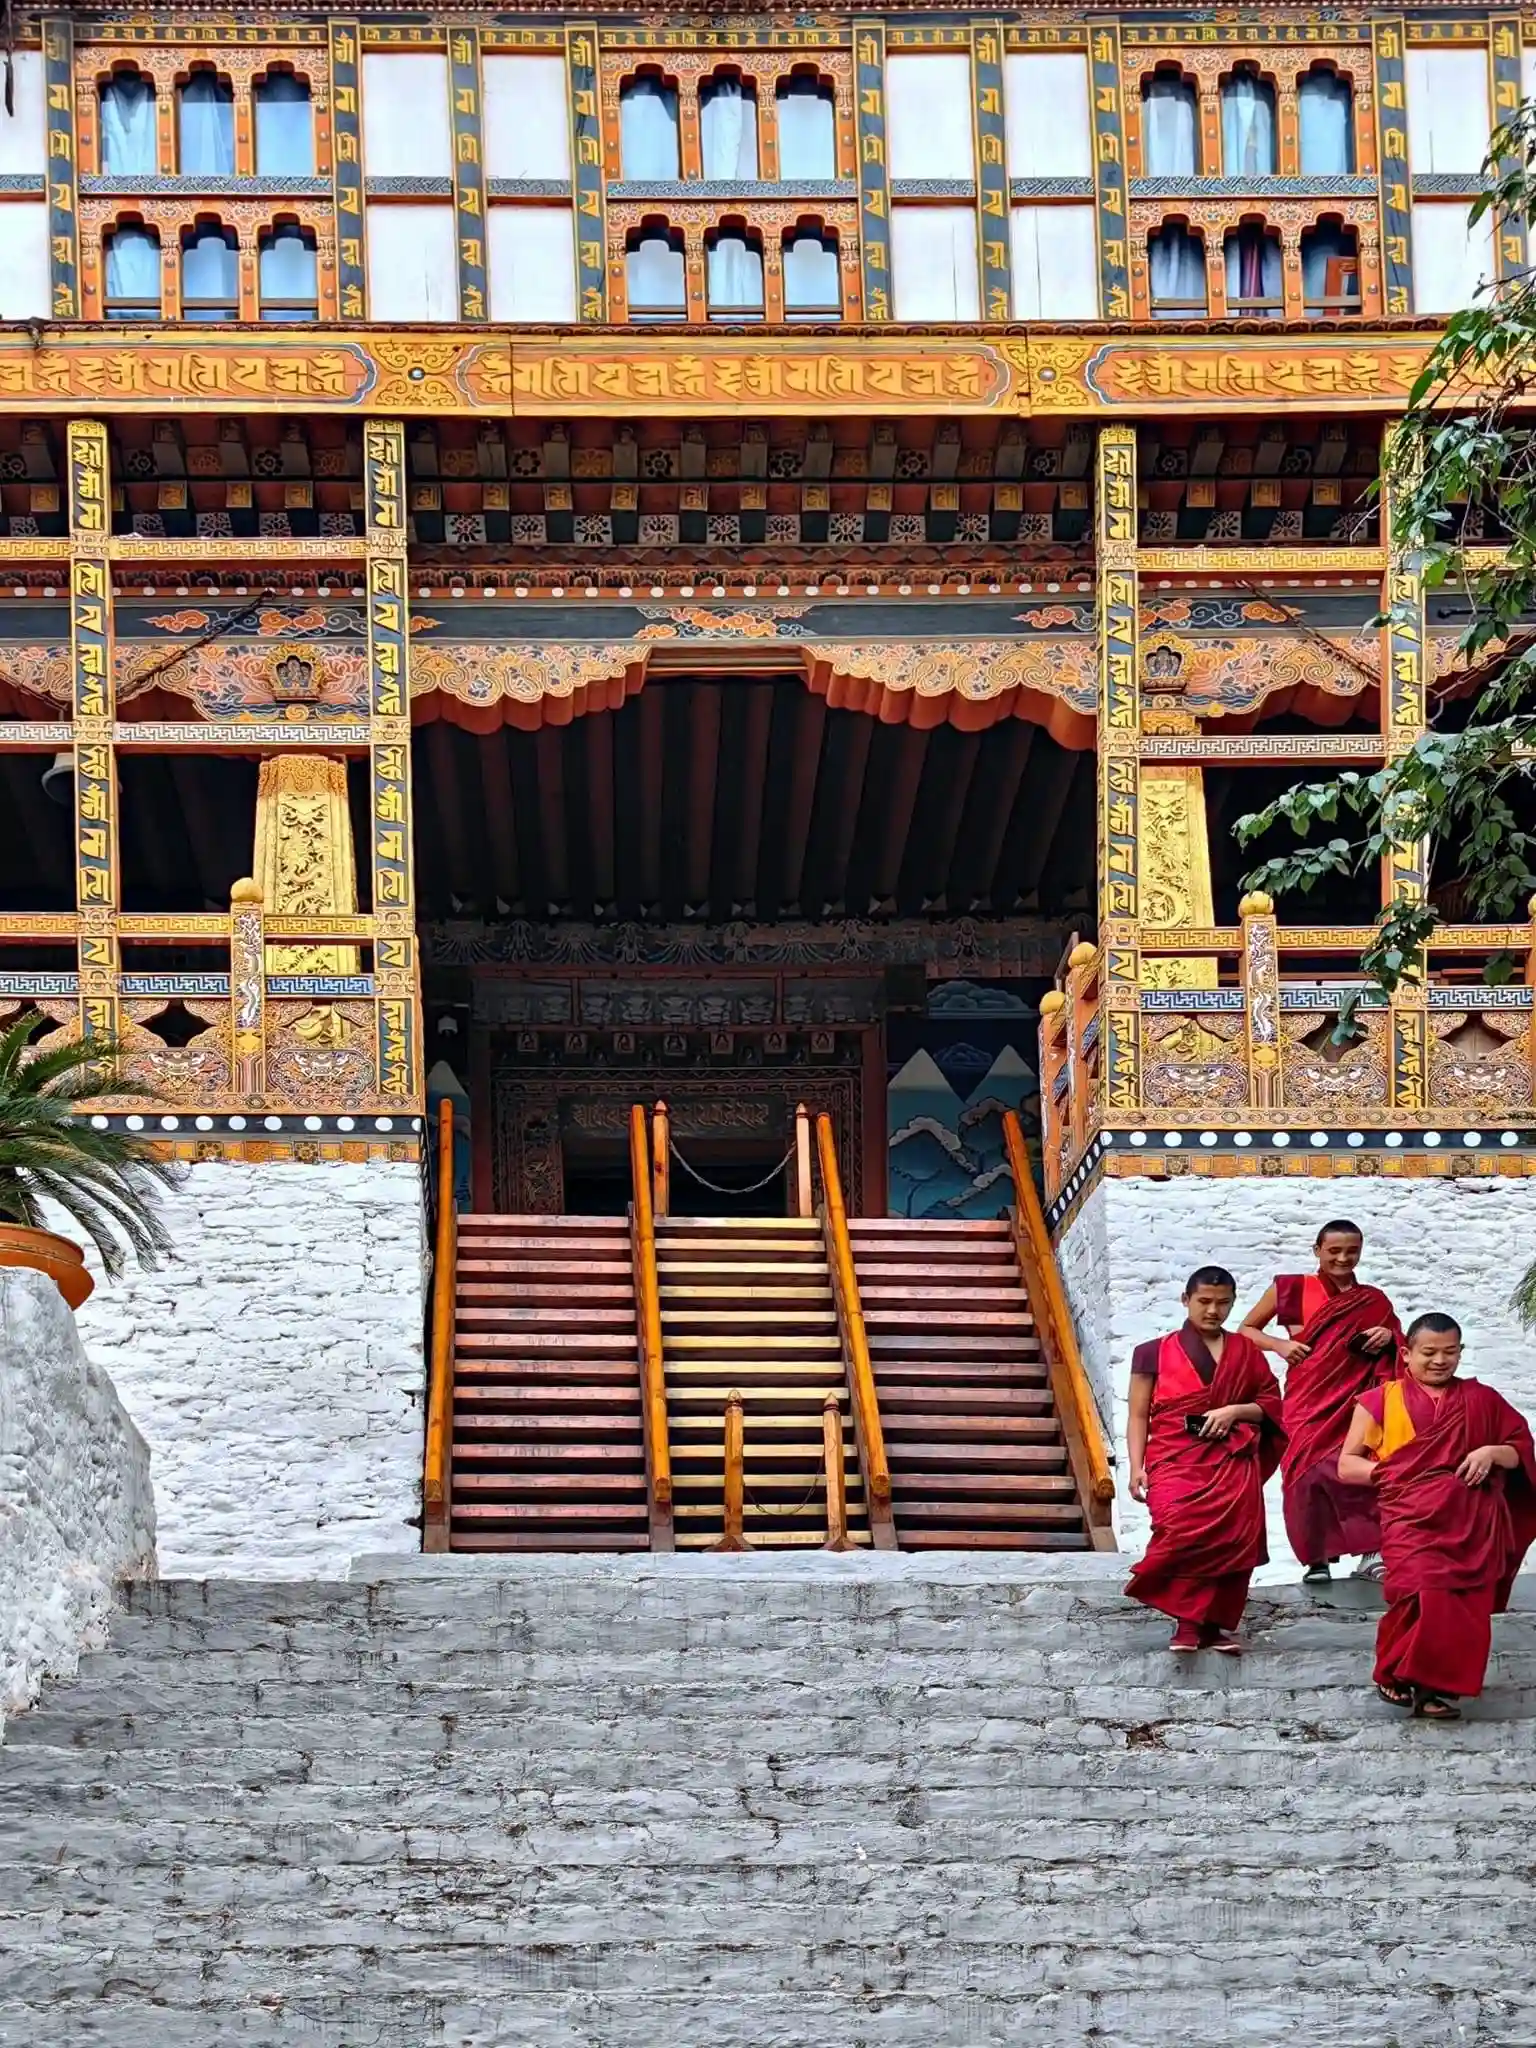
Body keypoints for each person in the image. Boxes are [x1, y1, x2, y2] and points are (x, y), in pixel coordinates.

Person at [1338, 1312, 1536, 1721]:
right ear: (1407, 1354)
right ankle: (1394, 1670)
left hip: (1471, 1521)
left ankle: (1433, 1691)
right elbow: (1347, 1465)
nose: (1439, 1361)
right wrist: (1398, 1473)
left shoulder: (1482, 1400)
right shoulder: (1378, 1400)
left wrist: (1491, 1453)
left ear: (1460, 1353)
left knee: (1462, 1608)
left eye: (1449, 1352)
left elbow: (1520, 1450)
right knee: (1418, 1593)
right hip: (1411, 1519)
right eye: (1428, 1352)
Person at [1125, 1265, 1286, 1655]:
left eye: (1223, 1303)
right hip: (1175, 1456)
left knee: (1232, 1539)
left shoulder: (1246, 1351)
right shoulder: (1152, 1352)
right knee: (1180, 1530)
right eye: (1204, 1302)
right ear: (1186, 1299)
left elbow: (1270, 1405)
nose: (1213, 1311)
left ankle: (1205, 1627)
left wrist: (1233, 1412)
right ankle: (1187, 1618)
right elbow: (1138, 1414)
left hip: (1232, 1459)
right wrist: (1135, 1467)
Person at [1240, 1220, 1401, 1584]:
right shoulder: (1291, 1288)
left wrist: (1387, 1334)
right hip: (1307, 1394)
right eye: (1334, 1251)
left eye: (1352, 1251)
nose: (1343, 1258)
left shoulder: (1373, 1299)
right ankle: (1318, 1558)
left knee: (1360, 1463)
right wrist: (1281, 1345)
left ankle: (1371, 1552)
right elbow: (1247, 1330)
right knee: (1305, 1472)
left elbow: (1401, 1343)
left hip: (1357, 1397)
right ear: (1317, 1250)